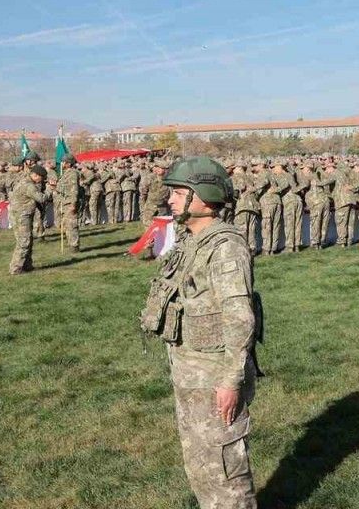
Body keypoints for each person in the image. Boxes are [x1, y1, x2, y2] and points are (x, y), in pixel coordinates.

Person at [140, 157, 261, 509]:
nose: (171, 200)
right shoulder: (191, 241)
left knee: (226, 476)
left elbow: (240, 318)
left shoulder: (224, 247)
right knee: (202, 469)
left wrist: (230, 381)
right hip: (190, 373)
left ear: (204, 197)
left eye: (179, 193)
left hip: (215, 379)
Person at [8, 164, 52, 275]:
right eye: (42, 178)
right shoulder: (29, 186)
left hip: (19, 215)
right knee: (24, 241)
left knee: (28, 240)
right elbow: (41, 198)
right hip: (22, 216)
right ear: (36, 175)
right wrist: (50, 189)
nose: (42, 180)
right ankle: (16, 268)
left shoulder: (24, 181)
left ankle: (27, 265)